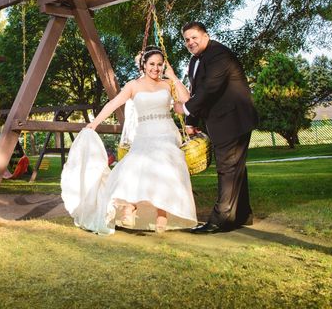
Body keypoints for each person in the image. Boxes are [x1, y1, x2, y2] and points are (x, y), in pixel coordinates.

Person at [60, 46, 197, 235]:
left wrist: (173, 77)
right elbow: (113, 104)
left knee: (166, 167)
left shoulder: (167, 84)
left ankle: (162, 213)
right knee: (135, 165)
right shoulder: (133, 85)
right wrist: (95, 123)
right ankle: (130, 206)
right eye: (151, 64)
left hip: (166, 131)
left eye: (159, 65)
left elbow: (187, 100)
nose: (155, 69)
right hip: (145, 133)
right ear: (144, 65)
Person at [173, 22, 258, 234]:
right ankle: (242, 214)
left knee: (227, 168)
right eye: (187, 40)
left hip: (233, 121)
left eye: (194, 37)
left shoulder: (219, 55)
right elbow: (197, 91)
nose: (190, 42)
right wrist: (192, 122)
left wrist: (184, 109)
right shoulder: (195, 60)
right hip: (222, 121)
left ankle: (220, 220)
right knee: (236, 169)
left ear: (206, 36)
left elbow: (210, 89)